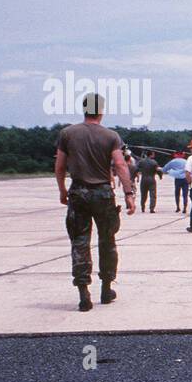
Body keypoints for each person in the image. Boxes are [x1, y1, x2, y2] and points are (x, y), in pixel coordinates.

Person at [54, 93, 136, 311]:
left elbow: (60, 167)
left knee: (80, 241)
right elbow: (120, 165)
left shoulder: (67, 134)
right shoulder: (111, 136)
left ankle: (83, 293)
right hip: (103, 193)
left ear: (84, 109)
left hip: (78, 192)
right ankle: (106, 288)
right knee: (107, 241)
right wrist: (129, 193)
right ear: (102, 110)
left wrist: (63, 190)